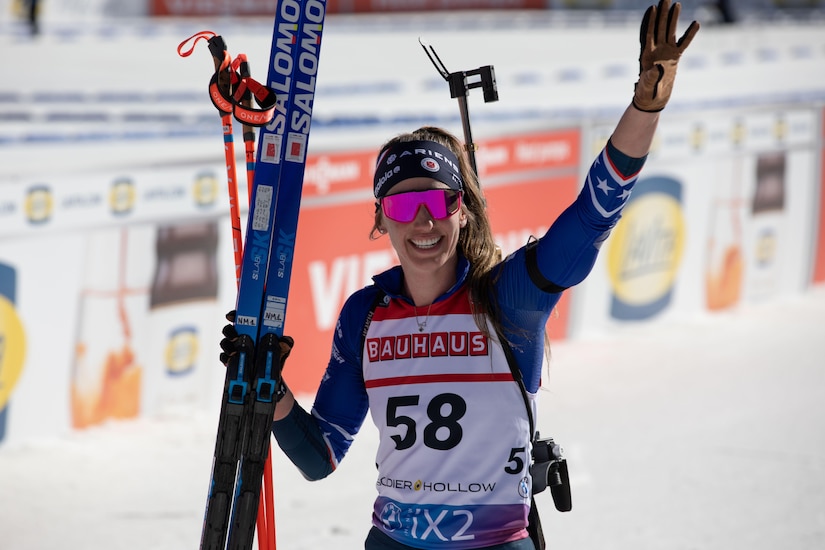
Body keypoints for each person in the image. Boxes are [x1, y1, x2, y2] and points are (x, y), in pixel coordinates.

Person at [220, 1, 699, 548]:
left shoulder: (510, 298)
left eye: (437, 202)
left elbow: (593, 216)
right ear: (380, 220)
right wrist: (268, 387)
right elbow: (319, 456)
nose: (422, 222)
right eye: (402, 207)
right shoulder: (365, 315)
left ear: (462, 210)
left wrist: (644, 108)